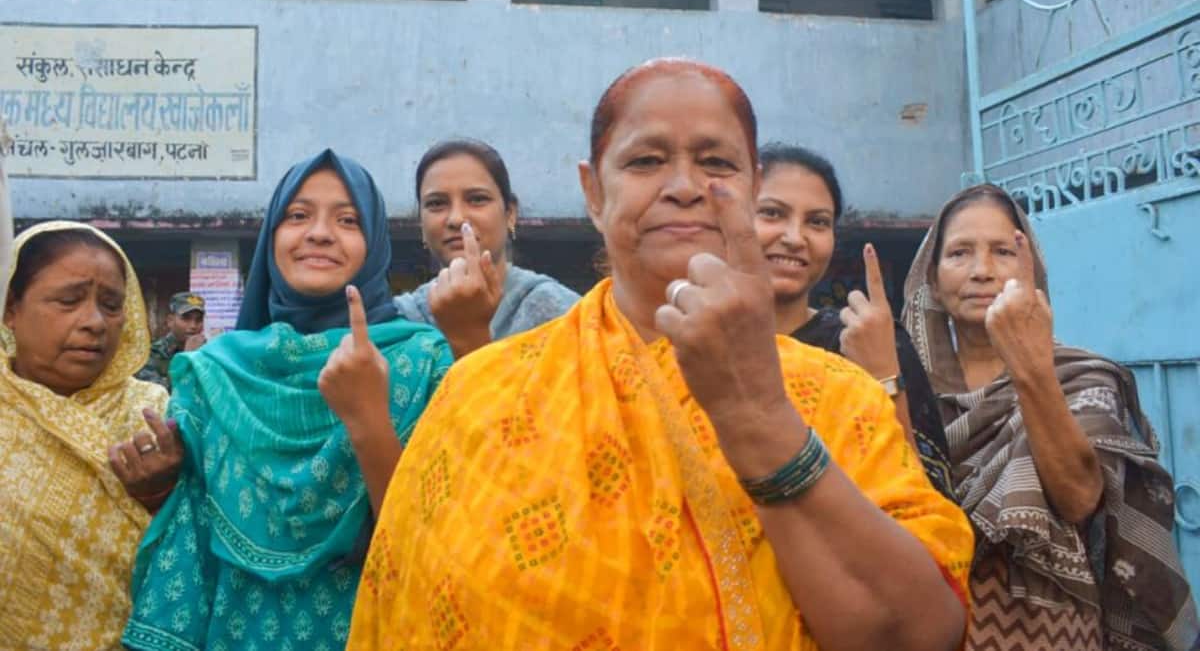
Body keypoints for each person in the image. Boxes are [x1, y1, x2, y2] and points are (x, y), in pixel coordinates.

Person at [346, 59, 974, 650]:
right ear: (593, 192)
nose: (683, 187)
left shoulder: (840, 397)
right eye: (645, 161)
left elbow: (920, 633)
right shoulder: (479, 393)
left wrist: (759, 418)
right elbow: (410, 603)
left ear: (753, 186)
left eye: (716, 163)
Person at [123, 150, 453, 651]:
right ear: (270, 238)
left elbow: (441, 541)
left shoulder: (423, 364)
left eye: (347, 219)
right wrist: (156, 487)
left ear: (376, 244)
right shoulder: (215, 374)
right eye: (297, 216)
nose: (319, 233)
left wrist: (368, 419)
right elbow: (191, 538)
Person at [900, 184, 1200, 650]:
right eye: (960, 253)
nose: (982, 271)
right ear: (933, 280)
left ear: (1032, 271)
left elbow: (1079, 497)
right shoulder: (902, 389)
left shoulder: (1081, 378)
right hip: (926, 625)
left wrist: (1030, 367)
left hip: (1053, 629)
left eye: (1002, 251)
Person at [0, 221, 180, 648]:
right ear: (10, 308)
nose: (95, 322)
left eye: (112, 305)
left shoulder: (156, 414)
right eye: (68, 300)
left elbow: (195, 558)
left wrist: (161, 495)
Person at [753, 143, 955, 501]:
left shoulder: (867, 340)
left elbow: (929, 501)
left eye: (817, 222)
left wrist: (882, 379)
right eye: (771, 213)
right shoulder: (693, 342)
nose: (794, 237)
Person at [394, 138, 578, 357]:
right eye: (436, 204)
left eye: (477, 199)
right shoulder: (402, 320)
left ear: (510, 214)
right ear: (421, 225)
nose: (456, 218)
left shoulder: (563, 314)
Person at [135, 290, 207, 390]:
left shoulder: (207, 353)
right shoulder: (152, 353)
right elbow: (158, 394)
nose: (193, 326)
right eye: (186, 318)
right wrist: (186, 359)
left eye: (198, 320)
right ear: (170, 321)